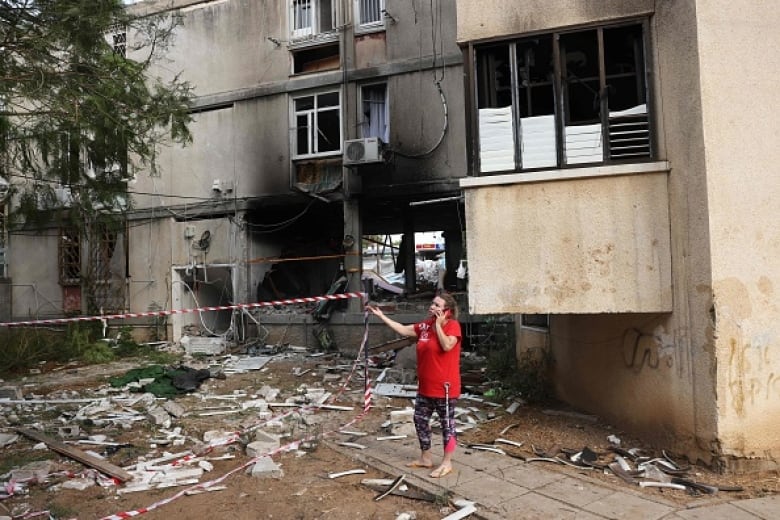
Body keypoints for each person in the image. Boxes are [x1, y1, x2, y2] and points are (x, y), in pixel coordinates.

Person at [366, 293, 462, 478]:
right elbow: (403, 329)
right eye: (432, 303)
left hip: (445, 388)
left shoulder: (453, 326)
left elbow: (447, 346)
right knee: (419, 420)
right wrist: (382, 316)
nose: (432, 306)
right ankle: (426, 458)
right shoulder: (425, 326)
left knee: (446, 425)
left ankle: (446, 462)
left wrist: (438, 327)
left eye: (437, 304)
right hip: (425, 386)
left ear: (447, 311)